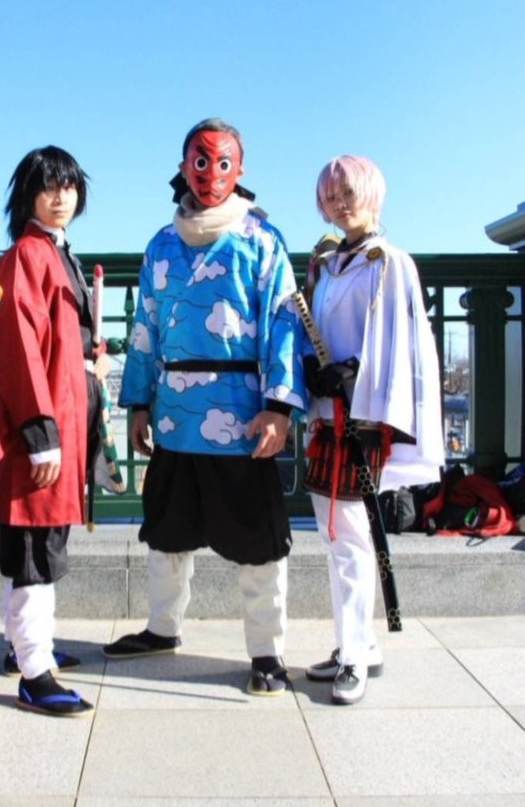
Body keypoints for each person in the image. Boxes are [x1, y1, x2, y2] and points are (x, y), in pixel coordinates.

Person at [103, 119, 306, 695]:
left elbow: (283, 323)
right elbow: (145, 328)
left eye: (223, 163)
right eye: (200, 161)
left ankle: (266, 651)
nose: (211, 173)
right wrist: (138, 403)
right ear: (183, 166)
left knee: (259, 540)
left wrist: (279, 407)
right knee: (167, 531)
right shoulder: (161, 245)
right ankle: (162, 627)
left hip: (241, 416)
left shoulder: (262, 240)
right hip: (172, 413)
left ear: (239, 170)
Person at [302, 155, 443, 704]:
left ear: (371, 195)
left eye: (348, 193)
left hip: (362, 416)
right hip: (327, 412)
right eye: (331, 195)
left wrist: (358, 374)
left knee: (350, 537)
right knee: (336, 535)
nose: (340, 204)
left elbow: (401, 343)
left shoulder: (390, 263)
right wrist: (315, 372)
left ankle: (355, 655)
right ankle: (356, 644)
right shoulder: (326, 265)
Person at [0, 145, 101, 717]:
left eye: (69, 187)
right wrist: (38, 431)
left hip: (58, 421)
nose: (61, 197)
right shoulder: (26, 257)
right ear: (27, 195)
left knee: (41, 541)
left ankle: (24, 648)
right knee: (33, 547)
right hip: (39, 427)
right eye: (49, 187)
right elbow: (17, 351)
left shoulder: (54, 254)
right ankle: (35, 672)